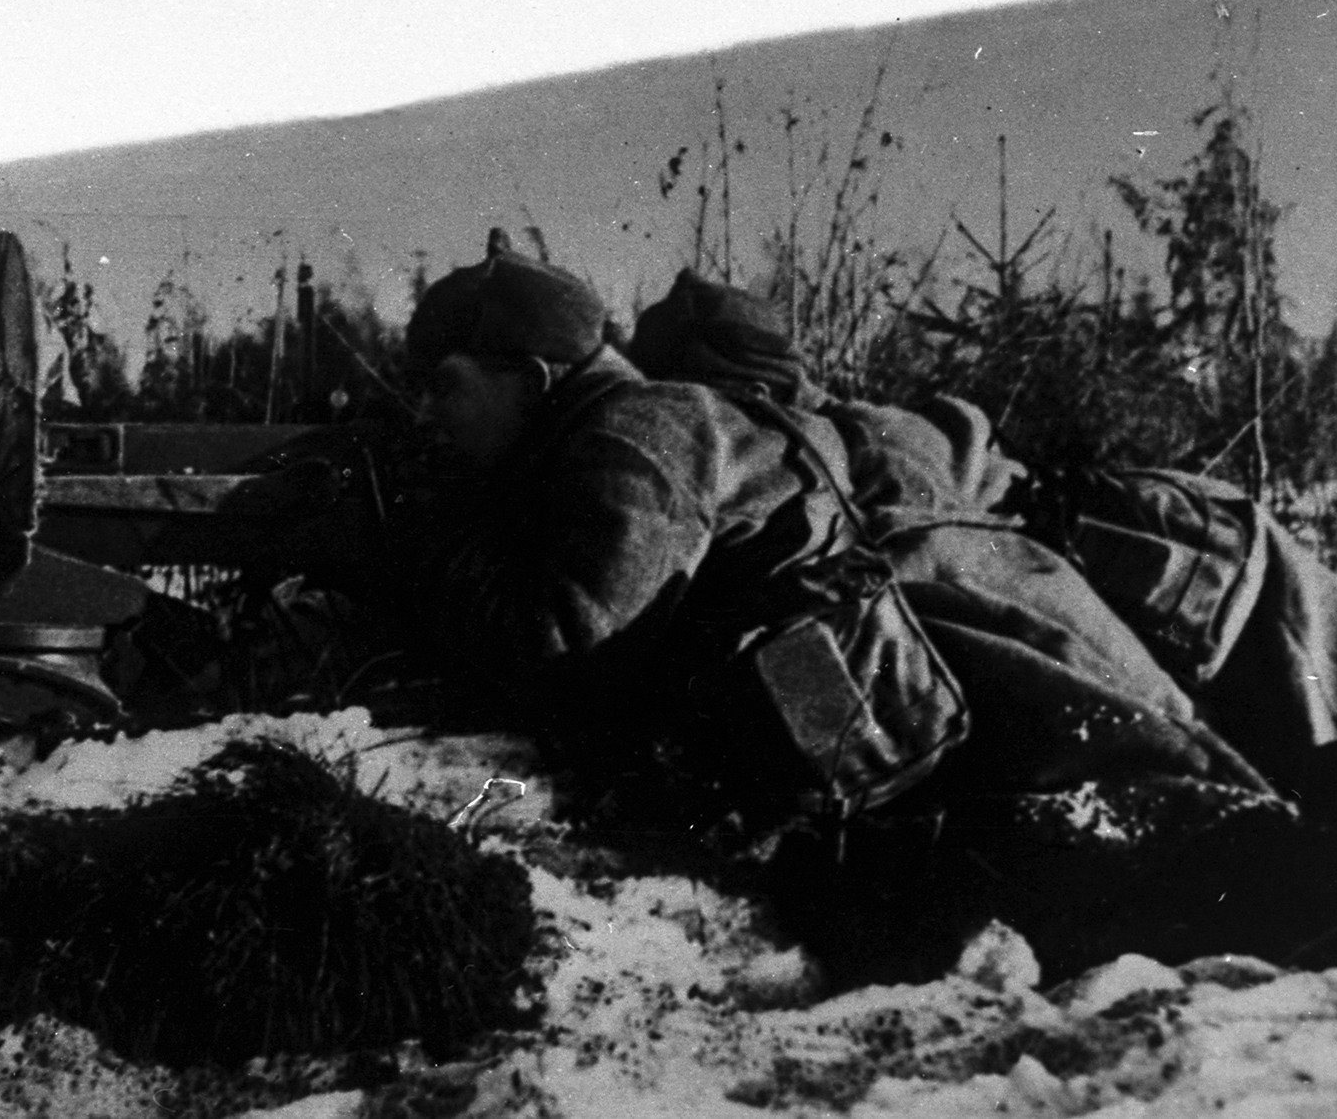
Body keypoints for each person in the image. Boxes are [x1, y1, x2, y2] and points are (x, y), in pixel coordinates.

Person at [394, 235, 1268, 839]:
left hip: (899, 685)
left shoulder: (638, 430)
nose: (423, 416)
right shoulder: (638, 429)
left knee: (1152, 819)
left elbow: (566, 636)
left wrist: (420, 533)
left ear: (533, 378)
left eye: (443, 388)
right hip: (890, 685)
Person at [624, 268, 1337, 795]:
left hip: (983, 611)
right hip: (1101, 565)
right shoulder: (907, 423)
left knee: (1183, 776)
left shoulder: (738, 441)